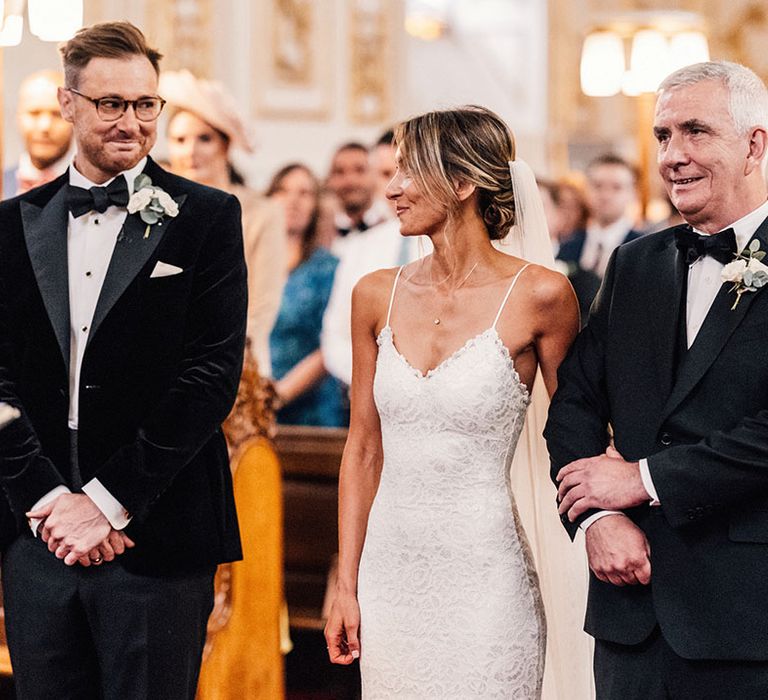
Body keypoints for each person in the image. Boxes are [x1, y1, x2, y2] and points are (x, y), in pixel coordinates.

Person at [0, 22, 247, 699]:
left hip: (157, 532)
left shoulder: (207, 217)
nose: (132, 122)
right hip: (36, 536)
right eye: (111, 103)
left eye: (145, 105)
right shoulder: (10, 223)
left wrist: (106, 505)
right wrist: (50, 501)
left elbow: (209, 376)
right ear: (70, 102)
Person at [324, 105, 592, 698]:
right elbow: (363, 447)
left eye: (406, 171)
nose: (389, 188)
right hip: (390, 569)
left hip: (486, 567)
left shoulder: (543, 296)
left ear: (464, 182)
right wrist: (347, 583)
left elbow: (578, 431)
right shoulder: (374, 294)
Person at [547, 60, 768, 699]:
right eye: (664, 135)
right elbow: (575, 404)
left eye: (695, 131)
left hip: (747, 614)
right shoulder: (635, 264)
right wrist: (594, 521)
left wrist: (642, 480)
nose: (673, 155)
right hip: (630, 615)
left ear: (755, 144)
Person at [162, 69, 286, 373]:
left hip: (238, 367)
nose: (190, 151)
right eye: (179, 140)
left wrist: (218, 361)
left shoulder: (260, 212)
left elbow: (263, 305)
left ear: (226, 146)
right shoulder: (157, 207)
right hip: (163, 365)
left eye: (204, 139)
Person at [266, 163, 345, 427]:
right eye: (283, 190)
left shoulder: (330, 268)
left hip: (312, 410)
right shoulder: (248, 264)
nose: (293, 201)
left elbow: (332, 344)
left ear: (316, 204)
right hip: (251, 402)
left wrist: (276, 396)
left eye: (304, 193)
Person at [557, 154, 643, 279]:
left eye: (616, 187)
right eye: (598, 186)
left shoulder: (644, 248)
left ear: (632, 193)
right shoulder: (568, 246)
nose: (605, 195)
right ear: (586, 189)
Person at [3, 70, 73, 198]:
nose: (44, 126)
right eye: (34, 113)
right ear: (18, 118)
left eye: (57, 115)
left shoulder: (93, 192)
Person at [326, 142, 392, 255]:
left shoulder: (394, 225)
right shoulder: (319, 232)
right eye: (340, 172)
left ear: (375, 175)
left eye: (359, 170)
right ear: (329, 180)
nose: (350, 180)